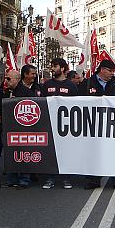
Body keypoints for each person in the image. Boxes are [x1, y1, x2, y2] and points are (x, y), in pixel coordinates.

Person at [83, 59, 115, 190]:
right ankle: (93, 180)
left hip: (112, 125)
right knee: (94, 152)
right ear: (102, 69)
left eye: (113, 71)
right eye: (110, 71)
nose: (112, 74)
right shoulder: (88, 83)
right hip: (93, 124)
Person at [41, 58, 79, 190]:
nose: (52, 68)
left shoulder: (71, 86)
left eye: (55, 66)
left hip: (66, 126)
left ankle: (66, 178)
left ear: (62, 69)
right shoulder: (46, 85)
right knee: (50, 151)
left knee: (65, 152)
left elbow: (77, 105)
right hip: (50, 124)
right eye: (51, 66)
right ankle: (50, 177)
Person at [1, 70, 35, 189]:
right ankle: (11, 179)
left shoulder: (26, 92)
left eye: (9, 79)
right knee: (10, 153)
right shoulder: (5, 92)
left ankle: (24, 180)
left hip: (23, 128)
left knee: (24, 153)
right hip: (8, 128)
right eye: (6, 78)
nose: (6, 81)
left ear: (17, 79)